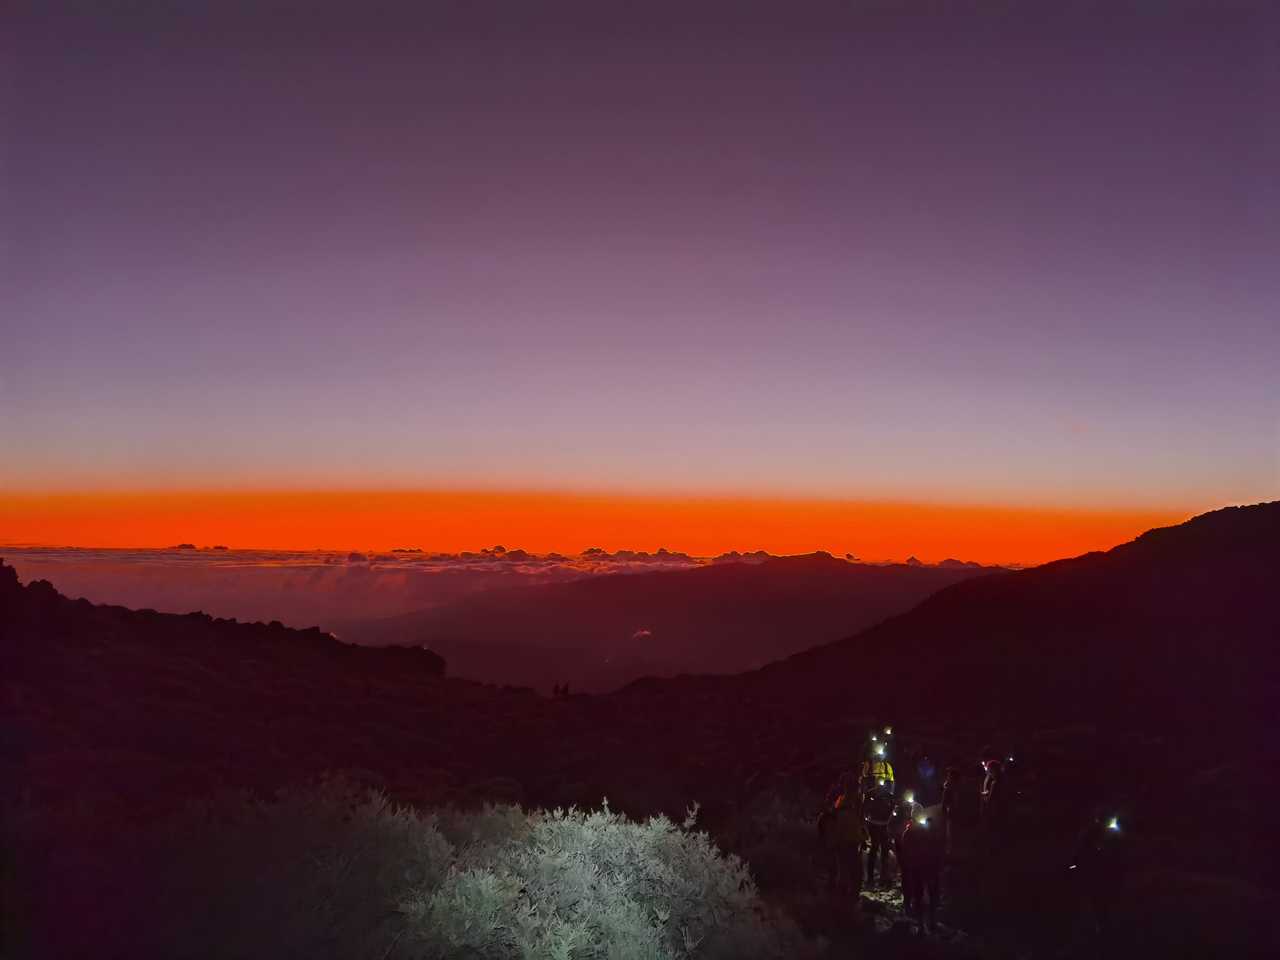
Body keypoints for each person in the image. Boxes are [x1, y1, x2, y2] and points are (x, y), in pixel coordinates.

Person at [1069, 809, 1129, 935]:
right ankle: (1101, 927)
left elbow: (1121, 852)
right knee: (1098, 901)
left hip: (1107, 873)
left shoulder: (1112, 833)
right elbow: (1081, 853)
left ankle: (1104, 926)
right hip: (1097, 873)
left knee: (1105, 901)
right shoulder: (1091, 833)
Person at [818, 772, 866, 897]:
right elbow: (850, 823)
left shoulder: (848, 803)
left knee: (846, 869)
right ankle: (844, 897)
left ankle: (844, 895)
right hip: (845, 841)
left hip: (847, 840)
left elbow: (857, 822)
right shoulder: (844, 803)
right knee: (848, 869)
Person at [899, 814, 946, 932]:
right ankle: (927, 923)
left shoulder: (910, 833)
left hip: (922, 867)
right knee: (927, 894)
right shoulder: (916, 832)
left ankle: (925, 923)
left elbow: (905, 849)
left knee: (923, 894)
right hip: (923, 867)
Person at [863, 780, 895, 887]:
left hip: (882, 825)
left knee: (882, 851)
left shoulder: (888, 796)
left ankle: (882, 877)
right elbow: (866, 807)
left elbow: (892, 810)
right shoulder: (873, 794)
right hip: (876, 824)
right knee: (876, 849)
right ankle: (873, 877)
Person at [941, 766, 960, 854]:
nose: (947, 777)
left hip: (953, 814)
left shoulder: (949, 788)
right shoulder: (960, 787)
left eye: (949, 775)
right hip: (958, 813)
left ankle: (952, 854)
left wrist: (943, 814)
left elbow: (944, 803)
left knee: (952, 835)